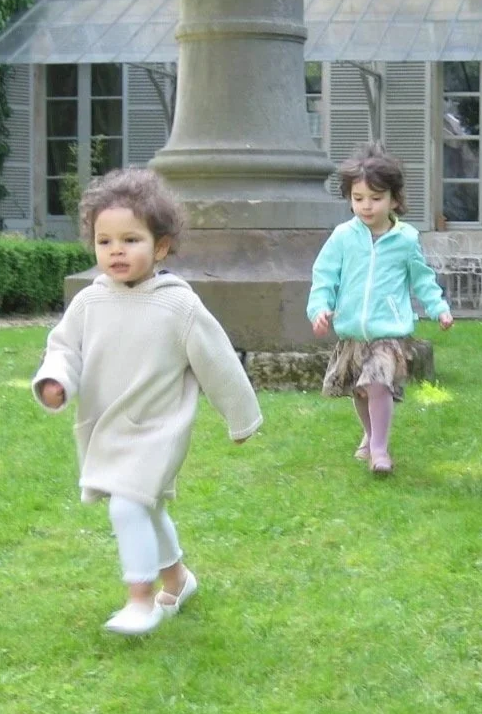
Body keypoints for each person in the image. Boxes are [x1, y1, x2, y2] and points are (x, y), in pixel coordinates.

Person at [33, 168, 262, 636]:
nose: (116, 251)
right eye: (105, 241)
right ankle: (177, 579)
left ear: (160, 246)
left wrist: (242, 419)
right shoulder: (89, 302)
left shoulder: (178, 306)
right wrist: (55, 379)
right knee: (147, 507)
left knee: (128, 505)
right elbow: (64, 348)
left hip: (159, 429)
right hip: (109, 426)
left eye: (130, 240)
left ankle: (140, 600)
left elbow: (218, 363)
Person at [308, 143, 453, 475]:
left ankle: (379, 450)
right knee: (360, 392)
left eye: (375, 198)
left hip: (388, 332)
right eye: (358, 199)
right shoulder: (343, 237)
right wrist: (319, 308)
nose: (366, 206)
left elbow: (422, 279)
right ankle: (371, 436)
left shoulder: (405, 239)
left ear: (394, 199)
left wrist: (438, 307)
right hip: (352, 332)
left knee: (377, 384)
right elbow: (324, 276)